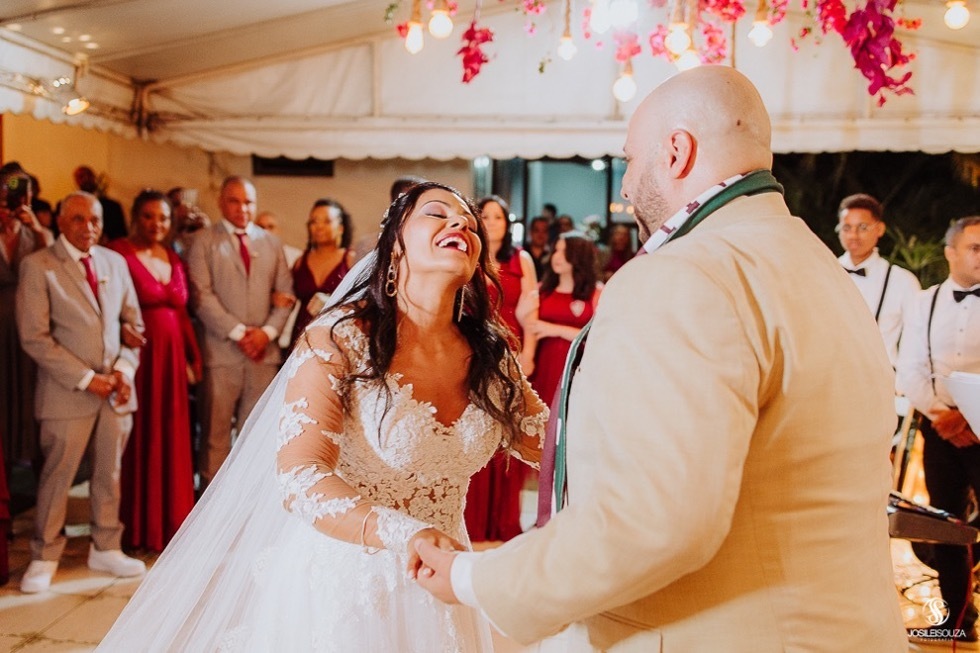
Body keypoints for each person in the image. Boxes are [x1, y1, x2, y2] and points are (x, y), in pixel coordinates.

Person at [415, 65, 907, 652]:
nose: (625, 188)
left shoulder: (684, 274)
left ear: (676, 151)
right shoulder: (817, 264)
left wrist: (475, 577)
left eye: (629, 159)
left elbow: (653, 519)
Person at [98, 181, 547, 651]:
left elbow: (555, 449)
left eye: (470, 223)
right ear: (395, 246)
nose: (461, 224)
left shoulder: (491, 355)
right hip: (348, 584)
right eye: (438, 214)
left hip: (443, 587)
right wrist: (404, 533)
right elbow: (300, 475)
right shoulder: (341, 338)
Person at [16, 191, 146, 593]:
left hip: (116, 391)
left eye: (95, 220)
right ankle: (45, 554)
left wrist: (123, 370)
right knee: (58, 476)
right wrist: (89, 379)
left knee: (110, 473)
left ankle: (105, 545)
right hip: (66, 391)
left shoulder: (116, 262)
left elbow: (134, 326)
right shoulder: (39, 266)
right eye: (78, 220)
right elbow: (34, 338)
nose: (88, 228)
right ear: (60, 221)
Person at [897, 216, 980, 645]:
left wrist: (968, 415)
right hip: (939, 429)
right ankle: (957, 620)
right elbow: (911, 366)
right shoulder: (925, 301)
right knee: (947, 525)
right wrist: (941, 415)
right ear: (950, 252)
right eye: (975, 248)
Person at [107, 190, 202, 552]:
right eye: (148, 216)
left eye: (163, 218)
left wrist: (195, 357)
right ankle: (137, 526)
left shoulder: (174, 257)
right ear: (135, 217)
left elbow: (181, 313)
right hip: (138, 358)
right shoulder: (118, 252)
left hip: (173, 357)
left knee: (171, 432)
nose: (156, 224)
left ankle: (171, 523)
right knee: (138, 435)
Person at [187, 176, 293, 488]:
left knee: (257, 437)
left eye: (248, 202)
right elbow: (200, 295)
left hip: (263, 355)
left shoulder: (272, 243)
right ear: (221, 202)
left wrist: (267, 333)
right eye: (234, 201)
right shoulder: (203, 242)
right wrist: (238, 333)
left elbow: (286, 294)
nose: (242, 208)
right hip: (221, 354)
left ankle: (248, 506)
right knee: (215, 436)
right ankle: (210, 507)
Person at [464, 195, 539, 543]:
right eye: (486, 216)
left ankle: (504, 520)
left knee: (509, 432)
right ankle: (474, 520)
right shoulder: (469, 258)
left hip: (512, 350)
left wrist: (528, 355)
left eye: (498, 217)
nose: (492, 222)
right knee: (476, 434)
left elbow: (530, 313)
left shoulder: (520, 259)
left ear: (507, 223)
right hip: (476, 352)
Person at [837, 193, 920, 368]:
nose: (853, 235)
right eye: (847, 228)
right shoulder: (825, 272)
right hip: (828, 379)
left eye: (862, 227)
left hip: (881, 379)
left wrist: (902, 385)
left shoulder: (903, 281)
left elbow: (916, 341)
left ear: (880, 229)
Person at [1, 171, 47, 470]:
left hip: (28, 318)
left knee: (28, 387)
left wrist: (38, 229)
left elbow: (55, 264)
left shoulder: (35, 233)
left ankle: (27, 451)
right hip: (1, 320)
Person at [289, 199, 355, 346]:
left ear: (340, 228)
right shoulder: (301, 260)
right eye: (314, 221)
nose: (319, 227)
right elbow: (288, 296)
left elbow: (363, 301)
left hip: (337, 335)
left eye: (326, 221)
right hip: (302, 334)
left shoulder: (351, 259)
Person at [254, 209, 303, 351]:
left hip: (288, 326)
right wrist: (269, 297)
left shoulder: (294, 256)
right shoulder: (246, 255)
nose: (266, 231)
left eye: (270, 226)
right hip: (256, 327)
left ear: (278, 230)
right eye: (261, 227)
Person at [73, 166, 127, 243]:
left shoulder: (113, 206)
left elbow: (121, 235)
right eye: (81, 177)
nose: (85, 179)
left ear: (94, 177)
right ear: (76, 181)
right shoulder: (71, 207)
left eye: (88, 175)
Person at [525, 215, 552, 279]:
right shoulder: (521, 254)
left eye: (544, 231)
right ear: (530, 232)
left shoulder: (552, 257)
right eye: (536, 230)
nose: (540, 234)